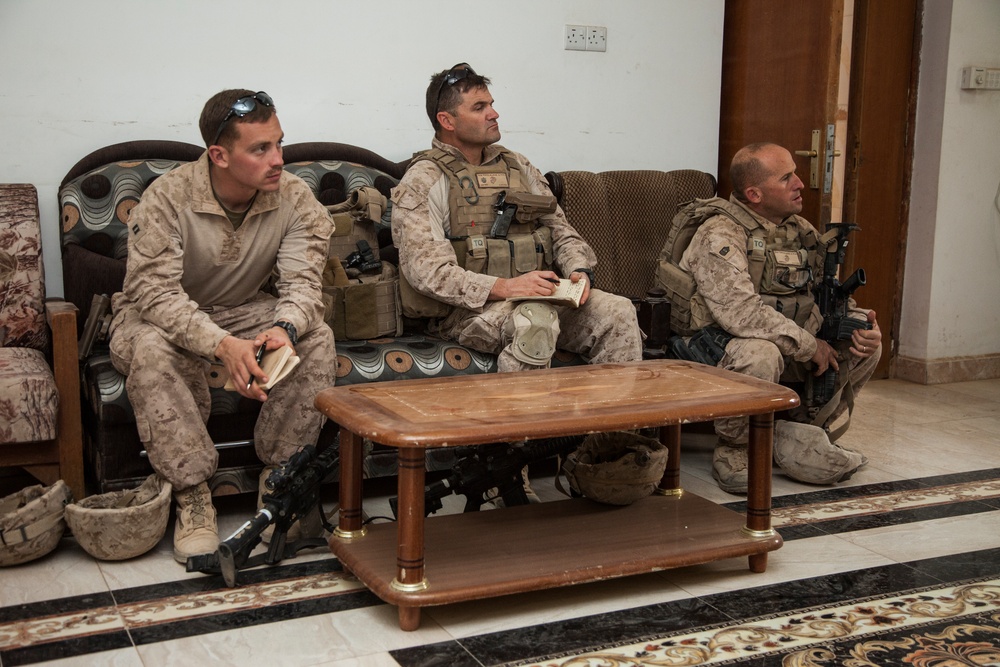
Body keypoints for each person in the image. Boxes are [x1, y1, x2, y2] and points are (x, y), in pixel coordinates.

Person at [390, 63, 643, 502]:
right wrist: (505, 288)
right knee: (535, 322)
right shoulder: (424, 180)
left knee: (618, 312)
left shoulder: (518, 166)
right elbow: (425, 272)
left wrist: (579, 271)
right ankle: (506, 476)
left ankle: (604, 461)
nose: (494, 114)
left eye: (492, 104)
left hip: (540, 294)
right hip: (466, 314)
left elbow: (562, 230)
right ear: (447, 121)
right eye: (480, 106)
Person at [109, 89, 337, 562]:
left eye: (278, 143)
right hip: (160, 314)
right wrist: (222, 345)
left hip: (242, 306)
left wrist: (285, 329)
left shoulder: (295, 197)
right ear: (219, 155)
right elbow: (154, 294)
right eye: (260, 149)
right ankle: (191, 496)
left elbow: (303, 286)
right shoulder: (167, 198)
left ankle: (280, 484)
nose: (278, 159)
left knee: (316, 336)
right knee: (152, 348)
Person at [677, 142, 883, 494]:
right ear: (754, 194)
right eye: (786, 177)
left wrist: (857, 320)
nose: (800, 183)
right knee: (760, 353)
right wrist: (808, 345)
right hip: (711, 348)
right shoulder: (720, 233)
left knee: (861, 336)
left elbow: (819, 293)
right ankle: (735, 448)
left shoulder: (797, 231)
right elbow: (740, 313)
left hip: (780, 334)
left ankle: (803, 428)